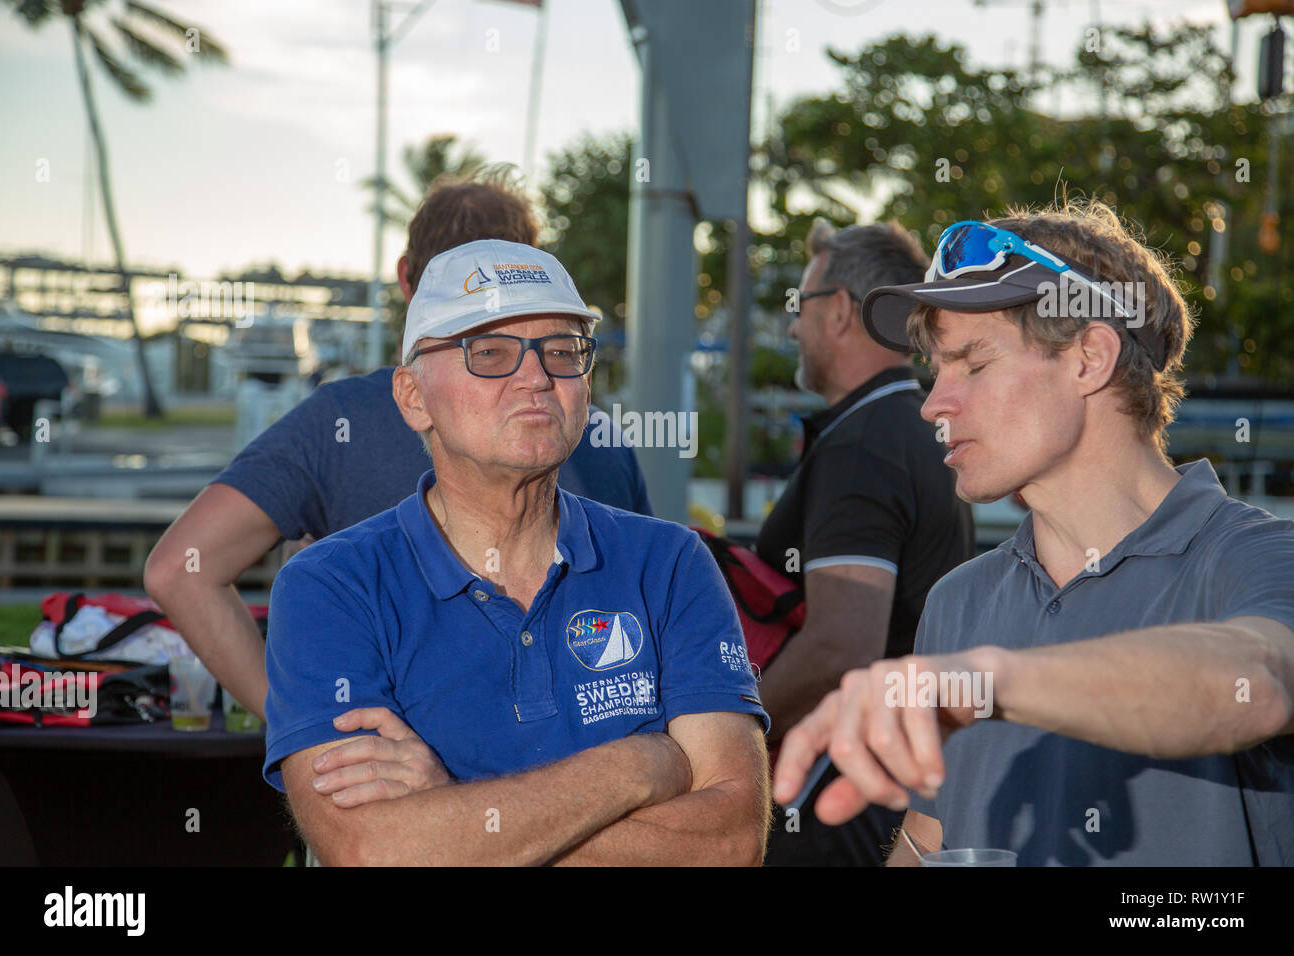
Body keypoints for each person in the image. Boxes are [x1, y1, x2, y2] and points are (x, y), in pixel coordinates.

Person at [774, 199, 1294, 866]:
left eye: (973, 363)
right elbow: (928, 839)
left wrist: (990, 681)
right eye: (936, 369)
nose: (934, 402)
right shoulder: (959, 599)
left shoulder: (1257, 557)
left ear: (1088, 358)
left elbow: (1259, 682)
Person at [263, 239, 770, 865]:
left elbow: (730, 841)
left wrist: (453, 806)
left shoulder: (668, 564)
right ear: (412, 397)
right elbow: (371, 851)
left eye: (562, 352)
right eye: (491, 353)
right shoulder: (331, 586)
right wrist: (638, 765)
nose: (536, 377)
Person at [144, 168, 650, 721]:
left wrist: (305, 723)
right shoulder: (590, 427)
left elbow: (180, 569)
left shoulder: (341, 420)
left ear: (406, 278)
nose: (525, 380)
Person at [755, 221, 975, 866]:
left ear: (842, 312)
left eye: (801, 306)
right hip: (895, 770)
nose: (794, 326)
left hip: (839, 783)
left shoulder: (862, 445)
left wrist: (728, 729)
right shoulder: (909, 424)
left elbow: (839, 645)